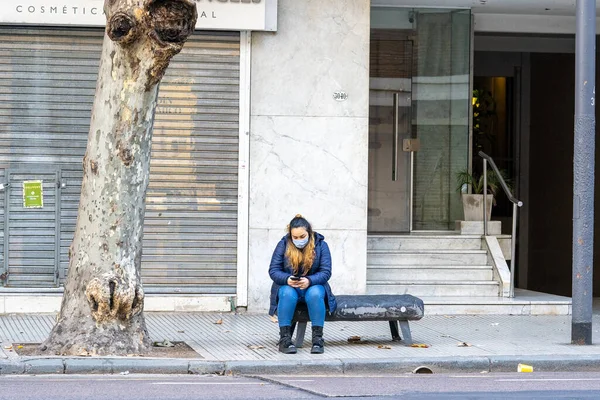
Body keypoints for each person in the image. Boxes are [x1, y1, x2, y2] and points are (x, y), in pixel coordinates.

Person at [268, 215, 337, 354]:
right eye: (295, 237)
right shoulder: (283, 244)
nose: (299, 240)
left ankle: (317, 340)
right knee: (286, 293)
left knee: (316, 293)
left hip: (312, 286)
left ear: (309, 232)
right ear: (290, 235)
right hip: (289, 287)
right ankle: (285, 340)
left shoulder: (321, 245)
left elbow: (326, 272)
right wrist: (287, 279)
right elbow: (274, 270)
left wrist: (309, 281)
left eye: (302, 236)